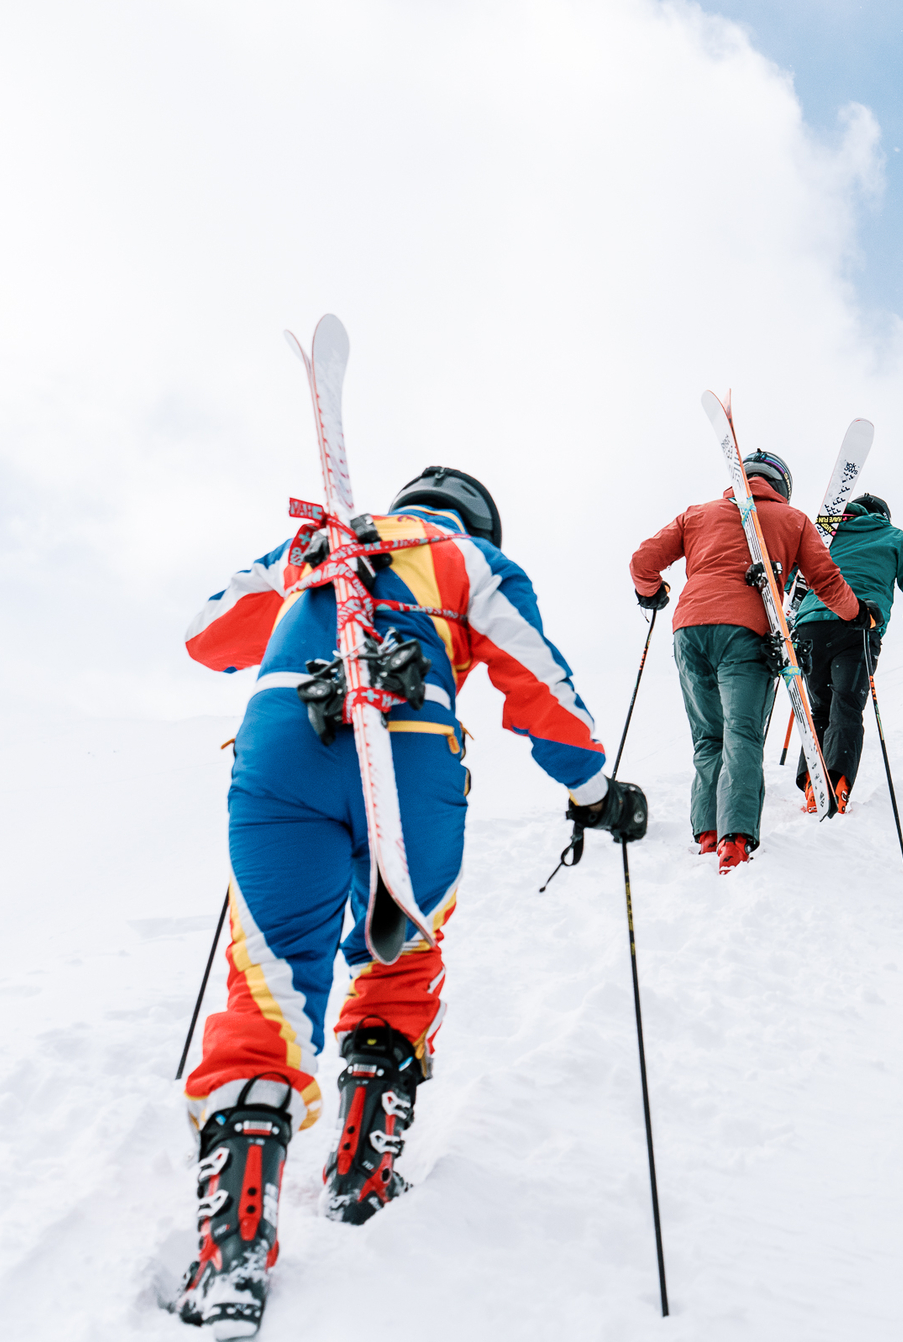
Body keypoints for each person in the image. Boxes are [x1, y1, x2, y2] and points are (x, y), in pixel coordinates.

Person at [175, 466, 644, 1335]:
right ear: (480, 522)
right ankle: (362, 1169)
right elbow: (538, 678)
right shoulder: (471, 561)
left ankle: (231, 1249)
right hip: (414, 749)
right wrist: (591, 790)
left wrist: (298, 583)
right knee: (400, 954)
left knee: (271, 987)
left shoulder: (319, 538)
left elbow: (207, 635)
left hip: (283, 742)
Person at [631, 448, 861, 871]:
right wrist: (857, 613)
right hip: (748, 633)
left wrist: (651, 591)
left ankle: (706, 833)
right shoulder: (791, 520)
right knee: (742, 734)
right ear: (781, 487)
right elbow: (825, 580)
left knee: (708, 737)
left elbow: (643, 561)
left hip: (690, 630)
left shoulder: (696, 514)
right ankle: (734, 840)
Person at [788, 493, 903, 809]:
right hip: (857, 626)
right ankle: (836, 784)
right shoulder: (894, 537)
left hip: (810, 625)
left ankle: (812, 787)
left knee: (819, 710)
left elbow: (791, 575)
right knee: (846, 704)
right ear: (883, 515)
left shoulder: (825, 535)